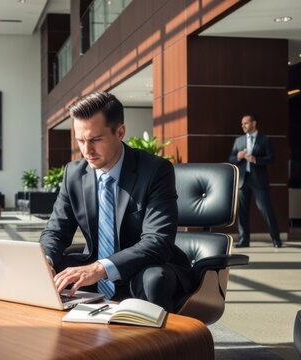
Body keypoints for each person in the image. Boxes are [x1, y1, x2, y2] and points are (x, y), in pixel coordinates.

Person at [39, 92, 194, 313]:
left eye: (95, 140)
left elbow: (157, 241)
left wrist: (101, 267)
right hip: (95, 270)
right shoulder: (73, 173)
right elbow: (56, 231)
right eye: (80, 141)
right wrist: (46, 261)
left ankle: (156, 346)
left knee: (153, 278)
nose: (87, 151)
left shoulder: (155, 170)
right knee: (50, 271)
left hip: (143, 269)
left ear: (120, 132)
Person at [228, 114, 282, 248]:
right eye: (242, 124)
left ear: (254, 123)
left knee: (266, 209)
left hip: (259, 180)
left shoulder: (264, 139)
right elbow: (231, 159)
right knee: (242, 212)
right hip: (242, 180)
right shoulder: (239, 140)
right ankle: (243, 240)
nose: (243, 126)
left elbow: (272, 158)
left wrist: (256, 160)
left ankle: (276, 239)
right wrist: (238, 157)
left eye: (246, 123)